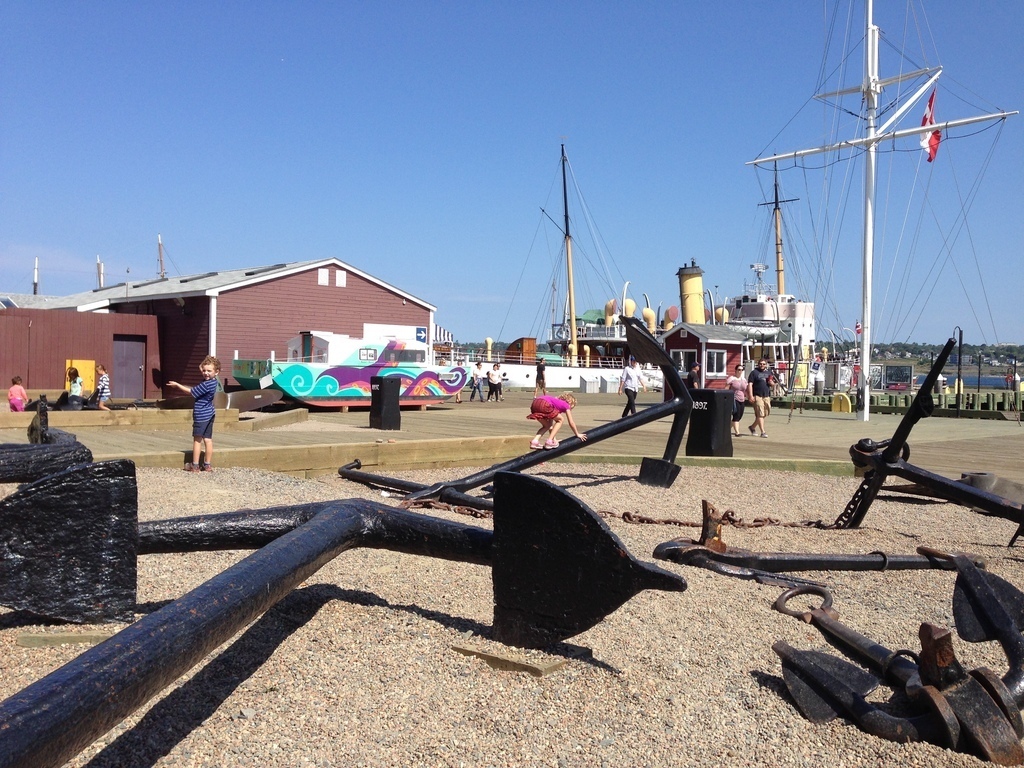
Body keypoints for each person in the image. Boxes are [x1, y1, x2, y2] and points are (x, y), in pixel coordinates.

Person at [166, 355, 221, 472]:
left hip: (201, 414)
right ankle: (207, 464)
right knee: (208, 439)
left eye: (209, 371)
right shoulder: (214, 381)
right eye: (204, 370)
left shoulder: (206, 385)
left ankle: (195, 465)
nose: (205, 373)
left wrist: (177, 385)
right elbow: (202, 367)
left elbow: (191, 392)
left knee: (197, 440)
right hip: (210, 413)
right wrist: (206, 362)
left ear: (217, 372)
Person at [747, 358, 773, 438]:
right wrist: (750, 395)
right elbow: (750, 384)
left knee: (765, 413)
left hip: (766, 395)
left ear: (766, 365)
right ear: (758, 364)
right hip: (757, 396)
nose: (762, 365)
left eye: (764, 364)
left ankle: (752, 427)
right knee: (760, 414)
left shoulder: (768, 372)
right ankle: (763, 432)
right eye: (760, 364)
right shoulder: (754, 372)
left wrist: (772, 383)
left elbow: (771, 383)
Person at [726, 364, 747, 436]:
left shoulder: (744, 379)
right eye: (739, 370)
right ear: (735, 370)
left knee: (740, 416)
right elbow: (726, 388)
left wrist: (748, 396)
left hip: (742, 399)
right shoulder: (731, 379)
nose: (740, 371)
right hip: (734, 399)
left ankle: (726, 429)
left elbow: (746, 390)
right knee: (736, 416)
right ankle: (737, 432)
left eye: (741, 370)